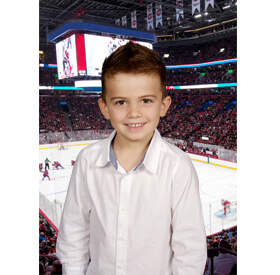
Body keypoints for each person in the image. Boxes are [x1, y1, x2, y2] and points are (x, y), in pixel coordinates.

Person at [57, 42, 207, 274]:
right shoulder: (87, 161)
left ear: (163, 105)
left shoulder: (177, 166)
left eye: (146, 100)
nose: (133, 113)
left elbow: (189, 251)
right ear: (105, 107)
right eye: (120, 102)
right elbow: (74, 234)